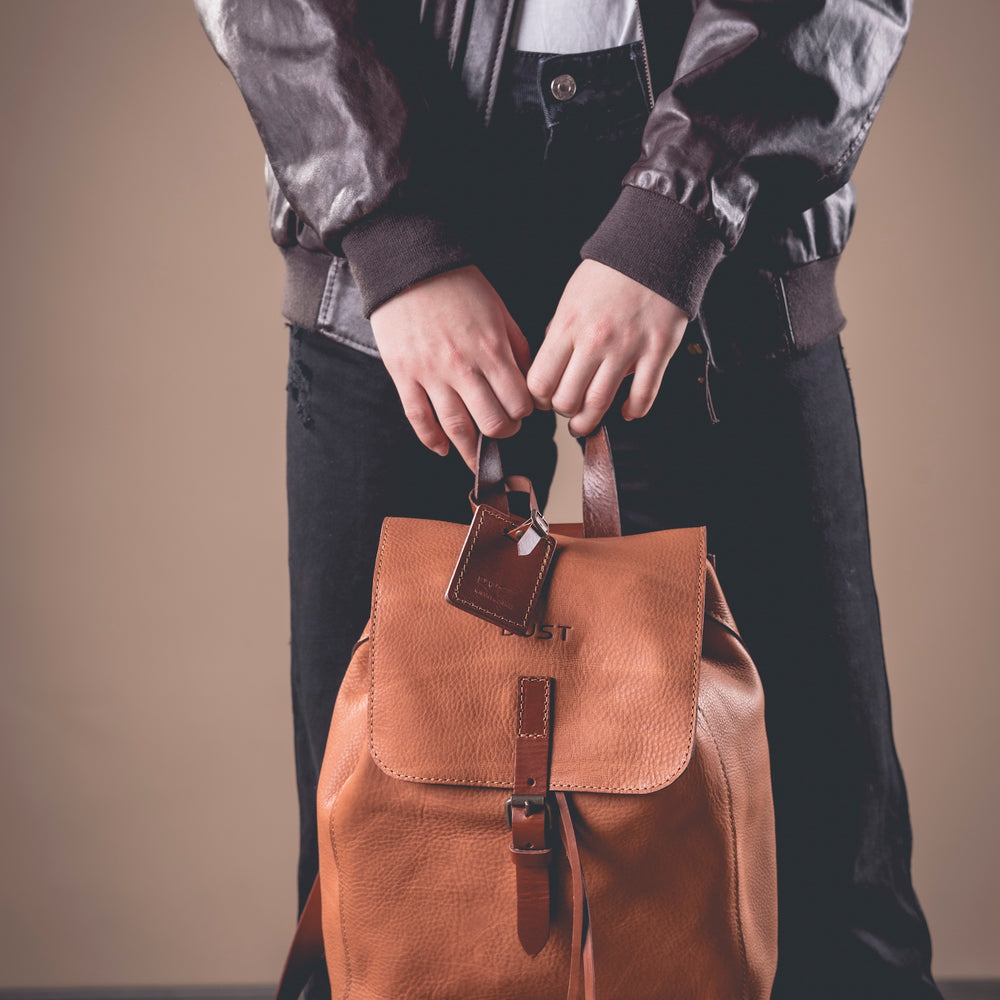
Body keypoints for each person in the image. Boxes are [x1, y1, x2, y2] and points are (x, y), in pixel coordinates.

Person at [194, 1, 944, 997]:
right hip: (395, 186)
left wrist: (683, 206)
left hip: (726, 199)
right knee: (379, 870)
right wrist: (390, 231)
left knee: (823, 873)